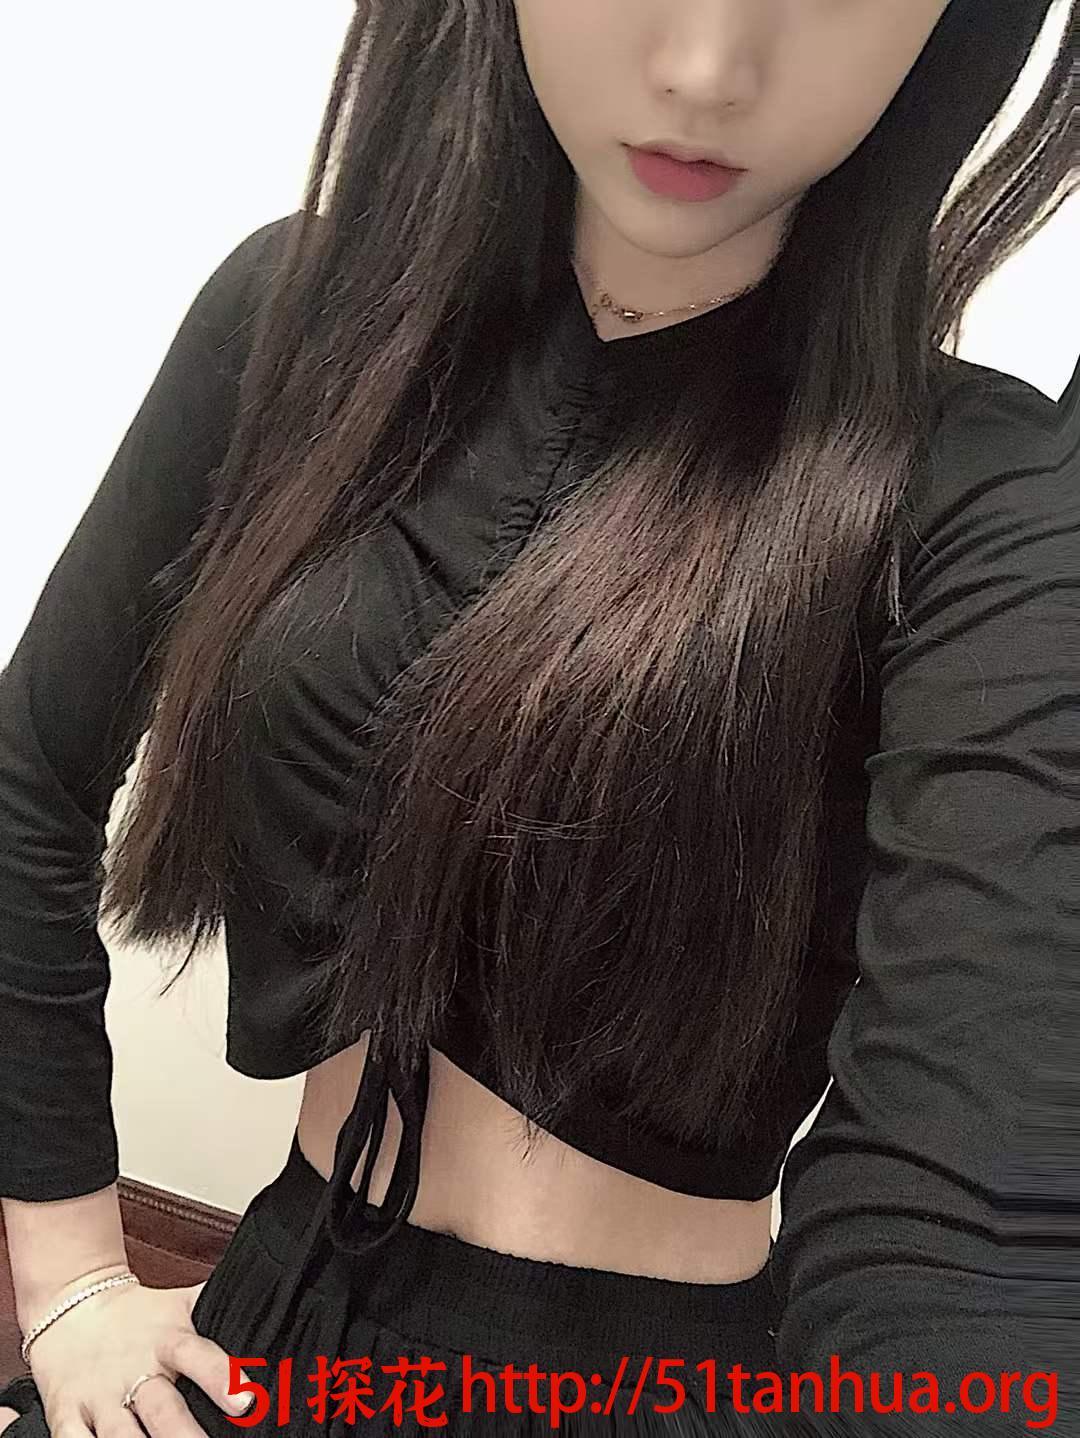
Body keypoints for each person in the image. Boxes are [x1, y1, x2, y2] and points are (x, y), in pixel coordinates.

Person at [1, 1, 1076, 1434]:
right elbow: (31, 776)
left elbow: (974, 1204)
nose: (707, 70)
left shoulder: (986, 495)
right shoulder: (299, 321)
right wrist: (70, 1280)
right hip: (270, 1311)